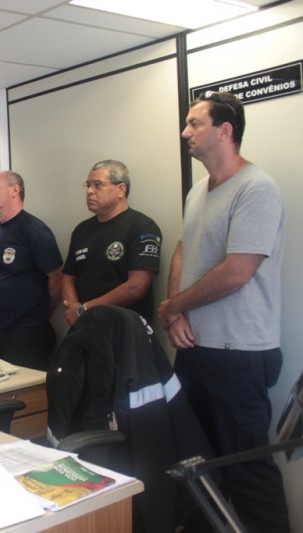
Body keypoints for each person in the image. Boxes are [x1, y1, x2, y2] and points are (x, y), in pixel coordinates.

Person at [158, 91, 289, 532]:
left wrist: (174, 305)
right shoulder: (198, 191)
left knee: (248, 473)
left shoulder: (256, 188)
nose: (185, 133)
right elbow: (183, 251)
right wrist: (175, 315)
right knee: (198, 471)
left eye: (195, 123)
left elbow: (237, 272)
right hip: (195, 350)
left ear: (225, 130)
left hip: (239, 355)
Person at [62, 159, 162, 326]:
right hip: (85, 326)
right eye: (88, 185)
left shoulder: (142, 227)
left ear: (121, 189)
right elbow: (68, 277)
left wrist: (85, 310)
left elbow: (137, 287)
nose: (89, 191)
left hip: (124, 329)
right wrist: (74, 308)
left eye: (98, 185)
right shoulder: (81, 230)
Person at [0, 171, 62, 371]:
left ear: (14, 190)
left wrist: (42, 313)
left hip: (25, 331)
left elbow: (56, 279)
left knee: (26, 386)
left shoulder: (34, 230)